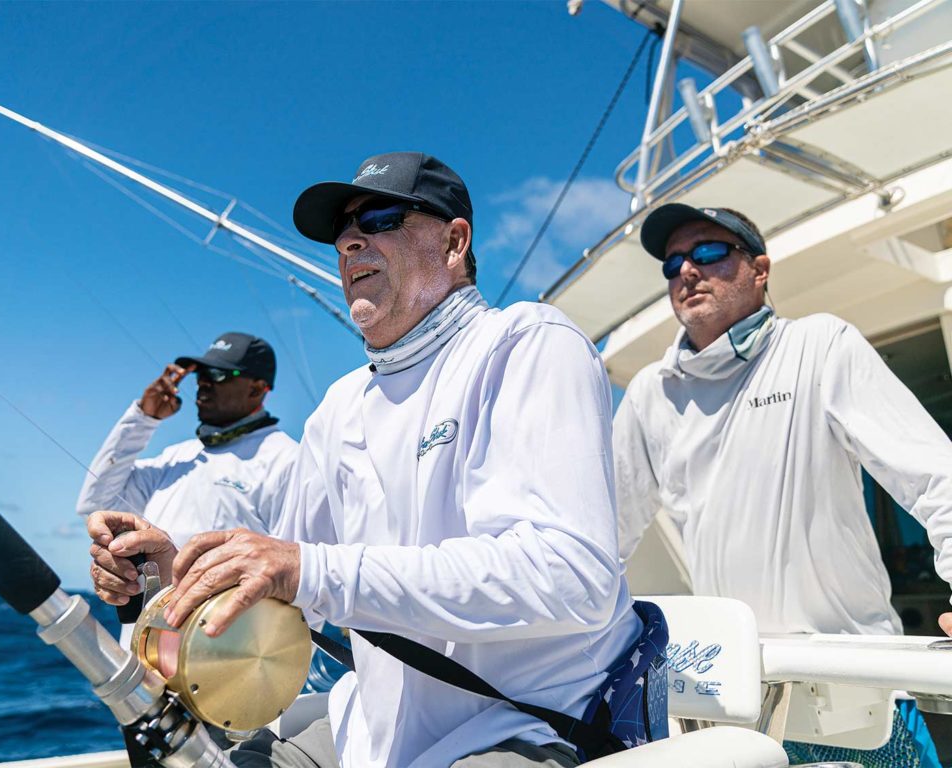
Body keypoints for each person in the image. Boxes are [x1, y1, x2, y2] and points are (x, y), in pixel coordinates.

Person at [88, 152, 647, 768]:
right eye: (341, 232)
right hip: (369, 733)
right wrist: (174, 575)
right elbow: (290, 585)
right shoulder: (339, 406)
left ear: (455, 241)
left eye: (379, 218)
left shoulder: (527, 344)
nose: (350, 241)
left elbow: (573, 575)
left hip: (523, 726)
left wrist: (308, 570)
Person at [612, 202, 952, 766]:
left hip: (856, 697)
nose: (687, 272)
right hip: (727, 703)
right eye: (672, 264)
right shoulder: (653, 393)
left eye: (709, 252)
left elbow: (933, 473)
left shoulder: (818, 346)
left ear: (760, 269)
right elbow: (605, 538)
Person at [77, 331, 297, 553]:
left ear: (257, 389)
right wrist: (143, 418)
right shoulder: (177, 457)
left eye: (218, 374)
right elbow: (96, 504)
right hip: (153, 589)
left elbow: (292, 564)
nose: (203, 383)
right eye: (200, 374)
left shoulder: (288, 461)